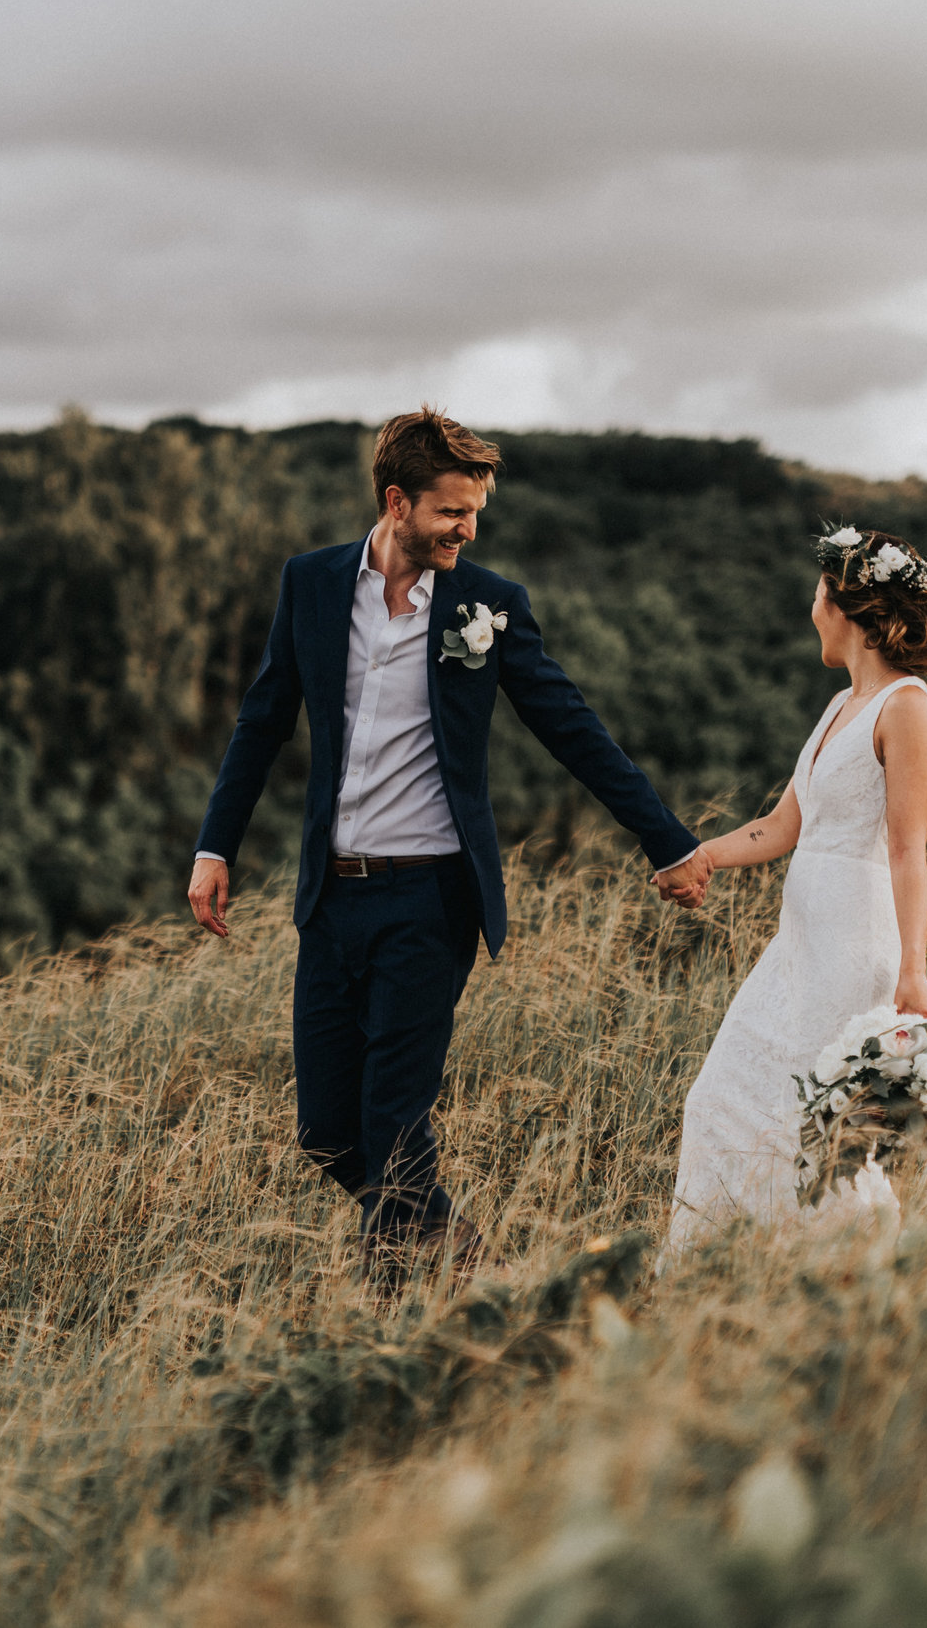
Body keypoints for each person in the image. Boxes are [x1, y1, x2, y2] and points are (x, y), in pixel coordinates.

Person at [188, 409, 709, 1284]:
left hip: (431, 900)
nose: (468, 531)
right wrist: (215, 846)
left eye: (475, 514)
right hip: (332, 896)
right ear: (397, 502)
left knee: (393, 1121)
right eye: (452, 513)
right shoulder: (312, 584)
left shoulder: (488, 607)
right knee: (326, 1131)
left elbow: (571, 728)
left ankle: (397, 1314)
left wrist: (666, 840)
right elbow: (261, 720)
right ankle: (467, 1259)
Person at [660, 526, 927, 1258]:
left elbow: (907, 850)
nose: (810, 609)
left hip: (853, 948)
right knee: (720, 1101)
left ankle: (843, 1271)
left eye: (816, 594)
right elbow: (780, 825)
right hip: (797, 949)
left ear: (845, 605)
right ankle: (719, 1266)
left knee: (816, 1129)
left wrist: (913, 969)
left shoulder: (907, 705)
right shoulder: (840, 704)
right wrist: (699, 854)